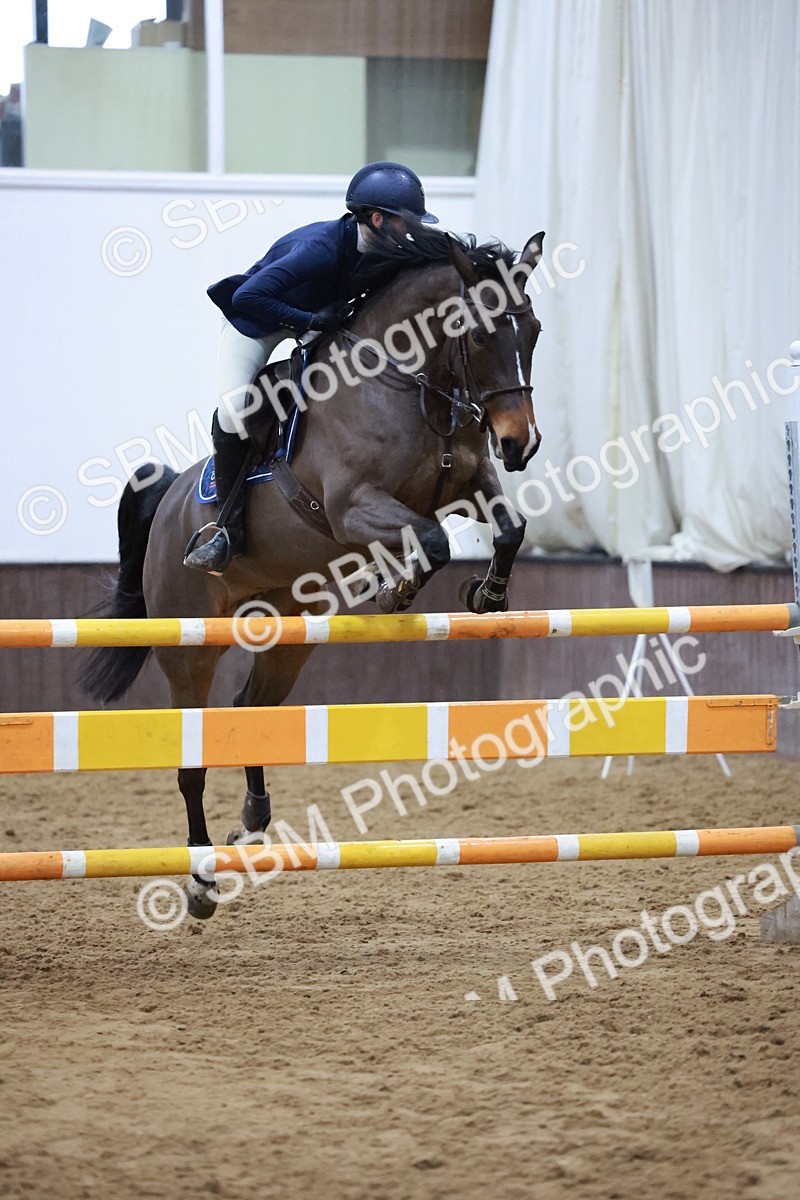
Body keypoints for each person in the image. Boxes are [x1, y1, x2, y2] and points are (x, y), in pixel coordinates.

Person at [183, 161, 438, 575]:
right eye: (407, 222)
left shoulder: (388, 250)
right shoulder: (320, 247)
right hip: (258, 322)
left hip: (316, 324)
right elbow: (248, 296)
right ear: (377, 219)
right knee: (234, 410)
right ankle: (226, 531)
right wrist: (309, 321)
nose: (413, 232)